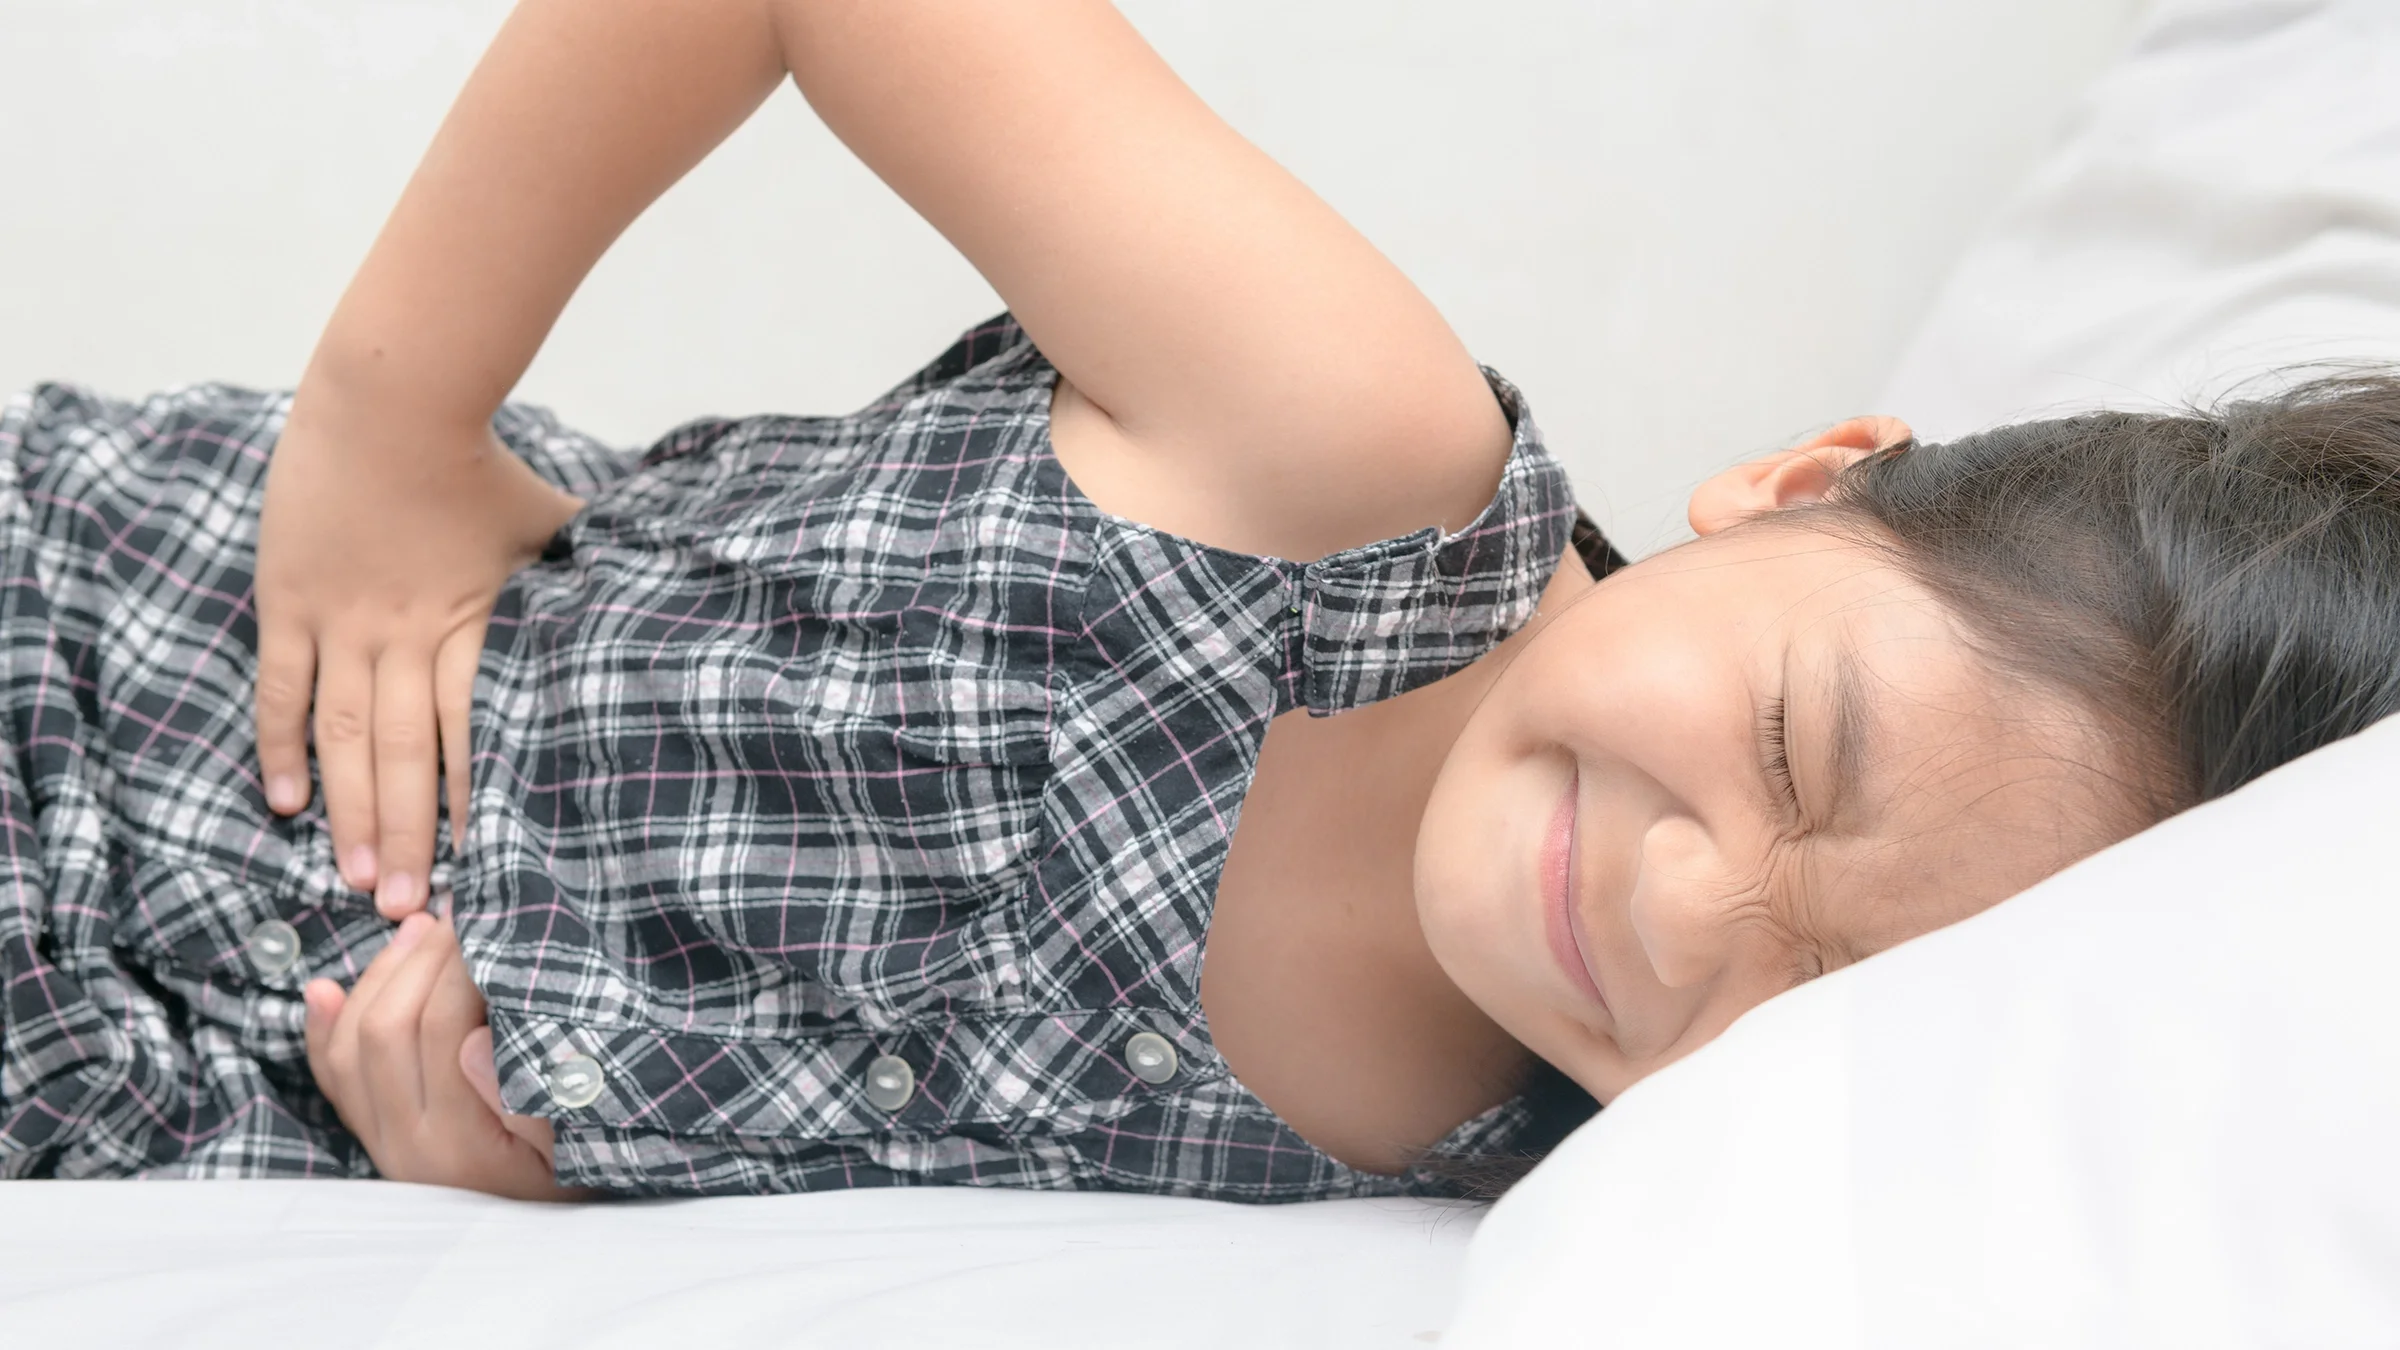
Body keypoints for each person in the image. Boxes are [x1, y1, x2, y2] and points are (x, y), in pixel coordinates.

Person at [5, 0, 2397, 1201]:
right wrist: (388, 433)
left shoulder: (1524, 1163)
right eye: (1793, 752)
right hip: (130, 671)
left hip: (179, 1073)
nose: (1689, 909)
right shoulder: (1351, 479)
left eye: (1837, 991)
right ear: (1797, 486)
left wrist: (520, 1158)